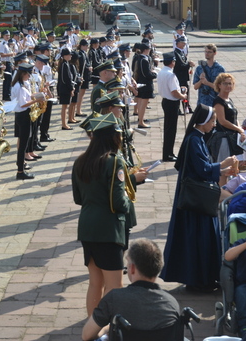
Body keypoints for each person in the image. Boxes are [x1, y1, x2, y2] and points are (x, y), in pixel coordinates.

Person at [162, 104, 239, 291]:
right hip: (196, 199)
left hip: (197, 195)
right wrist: (223, 164)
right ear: (203, 121)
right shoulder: (194, 140)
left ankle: (204, 278)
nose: (214, 124)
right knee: (199, 238)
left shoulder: (197, 138)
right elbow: (202, 169)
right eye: (212, 121)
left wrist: (222, 171)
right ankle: (199, 280)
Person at [72, 113, 131, 317]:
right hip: (108, 229)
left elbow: (78, 198)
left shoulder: (80, 161)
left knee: (95, 283)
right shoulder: (114, 162)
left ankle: (93, 325)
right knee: (115, 285)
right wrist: (128, 200)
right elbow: (118, 202)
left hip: (87, 225)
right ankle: (107, 327)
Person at [81, 238, 181, 341]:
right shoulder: (171, 304)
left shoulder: (114, 298)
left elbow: (86, 335)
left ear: (132, 268)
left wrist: (107, 328)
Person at [11, 62, 41, 179]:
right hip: (23, 115)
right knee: (23, 144)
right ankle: (20, 171)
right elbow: (23, 104)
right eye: (28, 74)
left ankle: (21, 166)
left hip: (22, 115)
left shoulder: (20, 84)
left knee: (23, 142)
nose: (29, 76)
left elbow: (27, 97)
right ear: (23, 74)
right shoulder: (19, 87)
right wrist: (36, 101)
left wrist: (37, 95)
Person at [209, 73, 245, 162]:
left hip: (232, 137)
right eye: (225, 83)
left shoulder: (229, 100)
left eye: (230, 83)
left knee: (233, 163)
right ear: (219, 85)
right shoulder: (218, 101)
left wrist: (240, 130)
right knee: (224, 164)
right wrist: (239, 129)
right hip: (223, 137)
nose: (228, 86)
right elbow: (222, 121)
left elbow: (234, 118)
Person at [158, 52, 187, 162]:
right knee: (171, 130)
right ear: (172, 62)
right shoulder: (171, 75)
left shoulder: (162, 72)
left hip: (166, 101)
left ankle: (168, 152)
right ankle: (168, 154)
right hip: (171, 103)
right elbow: (174, 92)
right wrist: (183, 96)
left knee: (168, 128)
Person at [132, 42, 156, 128]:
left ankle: (141, 119)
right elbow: (146, 74)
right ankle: (141, 121)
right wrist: (155, 74)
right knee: (143, 104)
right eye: (149, 49)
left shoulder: (141, 58)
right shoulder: (143, 60)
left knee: (141, 103)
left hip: (141, 83)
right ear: (145, 50)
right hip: (145, 84)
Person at [57, 48, 77, 129]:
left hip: (64, 88)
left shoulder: (66, 64)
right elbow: (66, 79)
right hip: (64, 88)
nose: (70, 56)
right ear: (64, 56)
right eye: (69, 55)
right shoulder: (64, 64)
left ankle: (64, 123)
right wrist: (71, 88)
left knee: (65, 106)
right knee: (64, 107)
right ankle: (64, 124)